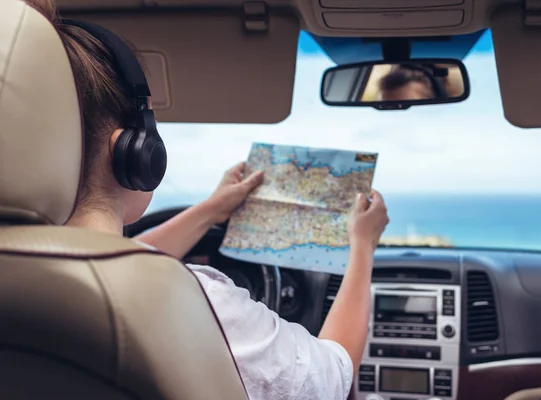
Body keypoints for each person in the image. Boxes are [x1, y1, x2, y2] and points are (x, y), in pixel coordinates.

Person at [28, 1, 389, 399]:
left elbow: (109, 264)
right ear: (135, 154)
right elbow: (334, 373)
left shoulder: (24, 279)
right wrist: (362, 246)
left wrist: (211, 210)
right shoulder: (196, 305)